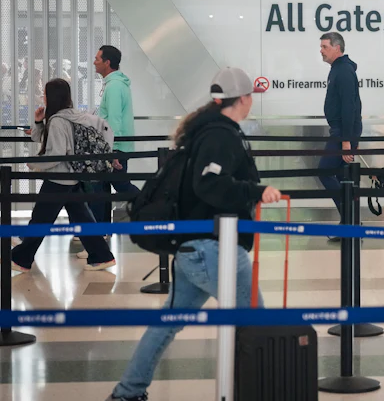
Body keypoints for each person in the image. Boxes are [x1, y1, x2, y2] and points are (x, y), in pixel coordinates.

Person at [106, 67, 283, 401]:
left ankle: (127, 392)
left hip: (193, 248)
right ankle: (262, 391)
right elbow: (209, 184)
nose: (251, 104)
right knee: (255, 321)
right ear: (242, 99)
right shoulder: (221, 135)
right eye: (250, 99)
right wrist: (255, 192)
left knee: (167, 323)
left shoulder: (204, 131)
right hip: (214, 248)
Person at [11, 79, 116, 273]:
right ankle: (102, 256)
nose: (42, 96)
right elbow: (43, 138)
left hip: (59, 179)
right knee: (82, 218)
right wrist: (38, 122)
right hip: (71, 177)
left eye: (45, 93)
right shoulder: (70, 116)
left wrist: (33, 163)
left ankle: (21, 258)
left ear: (52, 97)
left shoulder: (58, 120)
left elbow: (56, 153)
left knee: (40, 219)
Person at [88, 45, 139, 227]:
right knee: (101, 188)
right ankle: (100, 232)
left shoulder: (115, 86)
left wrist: (113, 152)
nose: (94, 62)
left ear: (107, 63)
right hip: (111, 147)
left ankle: (152, 207)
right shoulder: (114, 84)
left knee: (119, 186)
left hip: (113, 148)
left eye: (97, 59)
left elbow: (114, 121)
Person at [318, 32, 362, 222]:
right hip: (343, 132)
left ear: (337, 47)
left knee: (325, 171)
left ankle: (350, 217)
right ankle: (349, 221)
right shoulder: (338, 68)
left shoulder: (343, 71)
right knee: (341, 176)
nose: (321, 51)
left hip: (341, 133)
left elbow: (349, 107)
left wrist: (347, 141)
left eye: (325, 47)